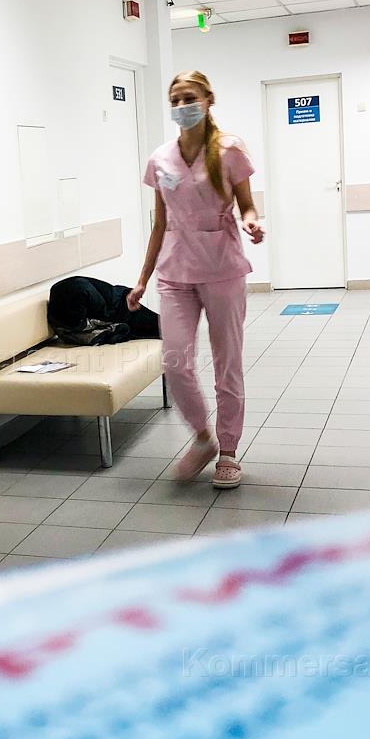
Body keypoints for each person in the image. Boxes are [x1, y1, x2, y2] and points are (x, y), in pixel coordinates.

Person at [127, 70, 264, 489]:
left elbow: (246, 205)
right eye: (175, 99)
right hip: (175, 272)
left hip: (222, 269)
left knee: (227, 365)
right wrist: (142, 279)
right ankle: (203, 438)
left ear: (208, 100)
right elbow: (159, 222)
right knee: (175, 360)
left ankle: (228, 451)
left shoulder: (228, 150)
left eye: (189, 98)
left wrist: (252, 222)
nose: (182, 106)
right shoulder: (160, 159)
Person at [47, 276, 160, 346]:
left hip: (121, 304)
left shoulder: (80, 291)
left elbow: (103, 314)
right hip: (117, 302)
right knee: (161, 328)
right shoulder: (69, 294)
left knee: (161, 328)